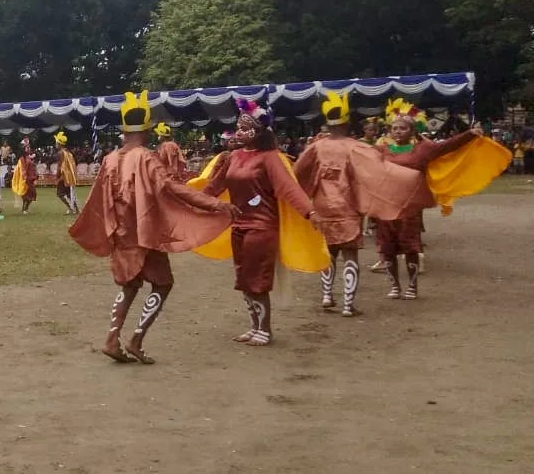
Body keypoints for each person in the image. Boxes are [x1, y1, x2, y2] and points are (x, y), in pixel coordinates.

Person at [69, 91, 237, 364]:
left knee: (130, 285)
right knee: (163, 284)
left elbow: (98, 200)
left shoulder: (110, 159)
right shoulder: (147, 158)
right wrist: (213, 204)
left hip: (121, 232)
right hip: (144, 233)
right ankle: (136, 339)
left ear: (125, 130)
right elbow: (172, 187)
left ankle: (112, 338)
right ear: (146, 130)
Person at [194, 99, 327, 346]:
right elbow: (214, 187)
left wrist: (310, 212)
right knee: (244, 279)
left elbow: (289, 188)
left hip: (262, 227)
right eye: (238, 127)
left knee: (257, 280)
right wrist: (191, 202)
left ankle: (264, 330)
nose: (239, 132)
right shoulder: (233, 157)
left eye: (245, 128)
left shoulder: (270, 158)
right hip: (238, 226)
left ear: (259, 132)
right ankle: (254, 326)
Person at [293, 91, 423, 317]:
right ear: (346, 123)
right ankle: (347, 305)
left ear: (328, 123)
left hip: (323, 203)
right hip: (348, 204)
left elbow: (298, 172)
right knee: (350, 253)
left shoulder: (316, 146)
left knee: (329, 250)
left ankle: (327, 295)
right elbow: (380, 170)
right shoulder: (357, 146)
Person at [373, 99, 508, 300]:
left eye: (403, 128)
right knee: (388, 248)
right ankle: (394, 286)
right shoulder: (382, 151)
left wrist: (470, 134)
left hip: (410, 207)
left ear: (412, 131)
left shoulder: (423, 149)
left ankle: (412, 286)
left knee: (410, 247)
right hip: (386, 206)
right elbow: (359, 155)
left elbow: (447, 146)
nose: (398, 131)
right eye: (395, 128)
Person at [53, 132, 79, 215]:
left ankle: (71, 208)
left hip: (63, 176)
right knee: (68, 193)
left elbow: (60, 166)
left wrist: (57, 176)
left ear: (59, 144)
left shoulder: (60, 153)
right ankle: (77, 209)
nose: (55, 145)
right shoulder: (68, 152)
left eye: (56, 143)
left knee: (60, 194)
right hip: (69, 176)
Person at [11, 137, 38, 214]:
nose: (29, 148)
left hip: (31, 178)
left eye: (29, 147)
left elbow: (31, 167)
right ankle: (24, 209)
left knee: (32, 194)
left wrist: (35, 174)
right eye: (27, 147)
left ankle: (25, 208)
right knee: (27, 195)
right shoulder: (22, 159)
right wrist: (25, 178)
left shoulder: (28, 157)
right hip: (27, 179)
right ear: (23, 149)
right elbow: (23, 169)